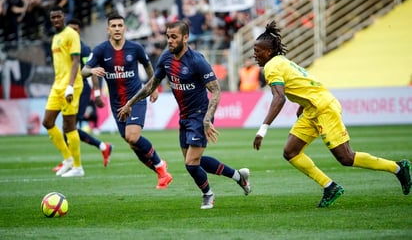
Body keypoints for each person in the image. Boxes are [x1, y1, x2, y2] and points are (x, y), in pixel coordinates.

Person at [252, 21, 411, 207]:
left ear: (268, 52)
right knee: (291, 152)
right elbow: (306, 83)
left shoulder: (272, 66)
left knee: (346, 158)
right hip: (313, 108)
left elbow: (279, 98)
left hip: (324, 109)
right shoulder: (283, 61)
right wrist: (303, 105)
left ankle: (398, 168)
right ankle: (329, 187)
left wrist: (262, 130)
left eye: (257, 51)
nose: (254, 55)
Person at [117, 20, 251, 209]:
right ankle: (239, 176)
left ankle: (208, 194)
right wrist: (130, 103)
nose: (170, 41)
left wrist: (207, 119)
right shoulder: (165, 59)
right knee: (194, 161)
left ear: (185, 38)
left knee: (190, 163)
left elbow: (216, 90)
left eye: (174, 37)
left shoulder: (197, 61)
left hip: (200, 116)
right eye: (168, 37)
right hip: (185, 116)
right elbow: (151, 86)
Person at [81, 13, 172, 189]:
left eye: (119, 26)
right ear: (108, 29)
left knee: (133, 136)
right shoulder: (100, 50)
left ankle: (161, 167)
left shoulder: (135, 48)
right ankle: (161, 173)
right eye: (113, 26)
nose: (116, 29)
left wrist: (152, 88)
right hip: (116, 104)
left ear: (124, 28)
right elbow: (83, 70)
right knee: (132, 144)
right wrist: (92, 72)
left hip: (136, 98)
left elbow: (147, 65)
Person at [52, 18, 112, 172]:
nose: (72, 32)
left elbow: (92, 71)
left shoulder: (84, 48)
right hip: (66, 89)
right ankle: (100, 148)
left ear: (79, 31)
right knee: (68, 128)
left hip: (81, 90)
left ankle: (74, 161)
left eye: (75, 29)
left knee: (69, 127)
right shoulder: (66, 45)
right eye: (70, 29)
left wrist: (97, 93)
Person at [42, 5, 84, 177]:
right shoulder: (56, 37)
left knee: (69, 125)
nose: (56, 20)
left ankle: (78, 167)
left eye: (58, 16)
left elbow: (75, 61)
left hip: (71, 85)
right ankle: (67, 159)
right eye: (53, 17)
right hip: (57, 85)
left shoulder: (71, 35)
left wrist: (69, 86)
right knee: (47, 122)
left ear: (64, 16)